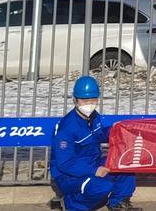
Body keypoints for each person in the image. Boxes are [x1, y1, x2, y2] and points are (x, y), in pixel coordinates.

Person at [50, 76, 141, 211]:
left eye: (93, 99)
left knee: (124, 164)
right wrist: (93, 171)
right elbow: (65, 163)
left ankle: (118, 203)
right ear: (75, 100)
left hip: (92, 162)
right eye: (85, 100)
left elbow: (98, 135)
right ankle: (70, 204)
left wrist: (115, 131)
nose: (89, 104)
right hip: (69, 175)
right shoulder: (66, 128)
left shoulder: (93, 117)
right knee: (102, 187)